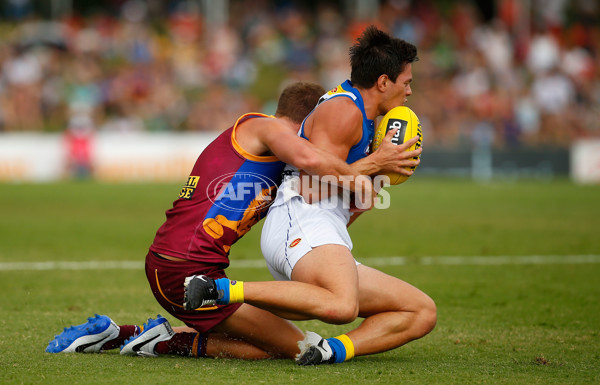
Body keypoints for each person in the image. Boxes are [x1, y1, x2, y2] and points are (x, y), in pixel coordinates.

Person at [46, 80, 420, 360]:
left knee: (277, 341)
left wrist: (364, 185)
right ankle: (160, 341)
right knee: (293, 349)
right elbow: (312, 162)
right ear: (305, 121)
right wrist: (374, 162)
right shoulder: (265, 127)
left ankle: (122, 334)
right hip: (185, 267)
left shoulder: (283, 165)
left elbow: (319, 197)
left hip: (186, 263)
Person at [183, 25, 436, 365]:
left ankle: (330, 351)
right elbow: (310, 185)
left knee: (420, 311)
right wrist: (375, 163)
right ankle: (218, 290)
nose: (409, 92)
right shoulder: (343, 111)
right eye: (406, 82)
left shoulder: (370, 119)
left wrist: (378, 179)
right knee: (343, 305)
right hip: (301, 218)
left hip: (322, 228)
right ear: (383, 82)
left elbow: (349, 196)